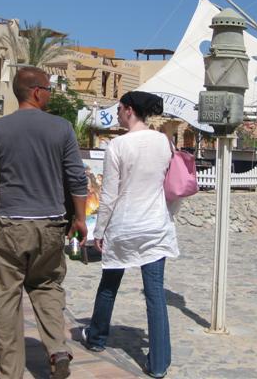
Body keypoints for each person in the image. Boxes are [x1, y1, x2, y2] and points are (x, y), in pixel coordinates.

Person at [0, 66, 88, 379]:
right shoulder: (62, 128)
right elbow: (77, 178)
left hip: (11, 226)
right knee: (47, 285)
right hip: (51, 226)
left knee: (5, 295)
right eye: (49, 88)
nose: (50, 94)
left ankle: (11, 372)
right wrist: (80, 218)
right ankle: (57, 350)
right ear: (37, 92)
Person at [80, 91, 178, 378]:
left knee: (109, 284)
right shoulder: (165, 142)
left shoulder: (118, 145)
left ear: (129, 110)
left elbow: (109, 195)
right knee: (155, 292)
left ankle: (97, 337)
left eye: (120, 108)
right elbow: (172, 184)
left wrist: (99, 230)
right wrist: (168, 217)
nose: (118, 113)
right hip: (155, 225)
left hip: (124, 225)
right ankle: (158, 363)